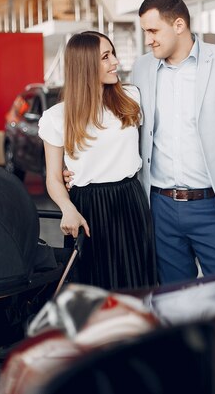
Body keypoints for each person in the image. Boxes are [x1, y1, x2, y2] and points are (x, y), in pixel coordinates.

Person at [67, 0, 215, 285]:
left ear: (178, 25)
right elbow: (115, 126)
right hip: (158, 208)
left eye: (153, 30)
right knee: (174, 300)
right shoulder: (142, 68)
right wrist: (80, 168)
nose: (148, 39)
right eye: (145, 31)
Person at [40, 31, 156, 291]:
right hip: (87, 210)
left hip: (130, 201)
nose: (115, 61)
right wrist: (67, 208)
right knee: (92, 294)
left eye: (112, 54)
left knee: (136, 286)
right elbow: (54, 178)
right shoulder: (56, 118)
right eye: (105, 57)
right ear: (85, 65)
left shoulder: (131, 98)